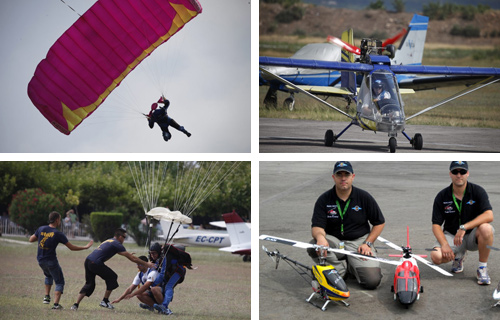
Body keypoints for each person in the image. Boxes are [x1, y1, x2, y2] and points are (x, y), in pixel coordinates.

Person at [308, 161, 386, 289]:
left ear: (352, 177)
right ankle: (340, 272)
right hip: (334, 242)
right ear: (334, 177)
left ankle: (351, 265)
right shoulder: (324, 199)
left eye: (346, 175)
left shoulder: (364, 197)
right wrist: (321, 238)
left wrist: (368, 243)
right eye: (339, 175)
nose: (343, 178)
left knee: (372, 281)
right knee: (314, 245)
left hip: (359, 243)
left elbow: (379, 222)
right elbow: (317, 226)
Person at [430, 161, 494, 285]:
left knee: (487, 228)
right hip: (452, 236)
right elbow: (436, 225)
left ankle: (482, 268)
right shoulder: (442, 196)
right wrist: (444, 244)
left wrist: (465, 227)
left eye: (462, 172)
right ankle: (458, 256)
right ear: (450, 174)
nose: (459, 175)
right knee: (436, 256)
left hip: (472, 236)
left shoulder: (477, 191)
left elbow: (489, 215)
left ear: (467, 173)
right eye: (455, 172)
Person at [70, 228, 155, 311]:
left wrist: (128, 254)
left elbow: (122, 253)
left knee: (89, 284)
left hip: (88, 261)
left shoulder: (109, 241)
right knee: (112, 277)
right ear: (120, 236)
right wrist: (147, 264)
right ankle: (105, 301)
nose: (124, 239)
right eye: (124, 237)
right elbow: (132, 258)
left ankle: (76, 304)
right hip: (95, 263)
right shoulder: (117, 244)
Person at [29, 211, 93, 310]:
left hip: (40, 260)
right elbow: (71, 247)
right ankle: (55, 305)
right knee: (59, 282)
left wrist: (43, 238)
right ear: (57, 220)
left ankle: (46, 297)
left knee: (48, 275)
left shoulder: (41, 229)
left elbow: (31, 239)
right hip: (51, 261)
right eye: (60, 220)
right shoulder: (58, 233)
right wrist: (85, 247)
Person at [149, 242, 192, 315]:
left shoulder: (165, 257)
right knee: (162, 287)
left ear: (159, 252)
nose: (152, 255)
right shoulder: (158, 258)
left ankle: (164, 306)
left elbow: (162, 274)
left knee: (168, 286)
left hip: (178, 271)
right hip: (170, 271)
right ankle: (155, 304)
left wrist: (153, 283)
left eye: (154, 253)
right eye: (151, 253)